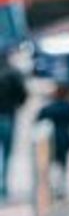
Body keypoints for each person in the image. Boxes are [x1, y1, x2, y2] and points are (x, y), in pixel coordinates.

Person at [35, 83, 69, 200]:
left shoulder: (48, 108)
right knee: (62, 164)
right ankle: (60, 187)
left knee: (49, 165)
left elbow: (37, 120)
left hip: (49, 140)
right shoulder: (68, 107)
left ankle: (50, 187)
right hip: (64, 139)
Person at [0, 55, 25, 200]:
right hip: (8, 115)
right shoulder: (13, 73)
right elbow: (22, 95)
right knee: (7, 153)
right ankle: (3, 184)